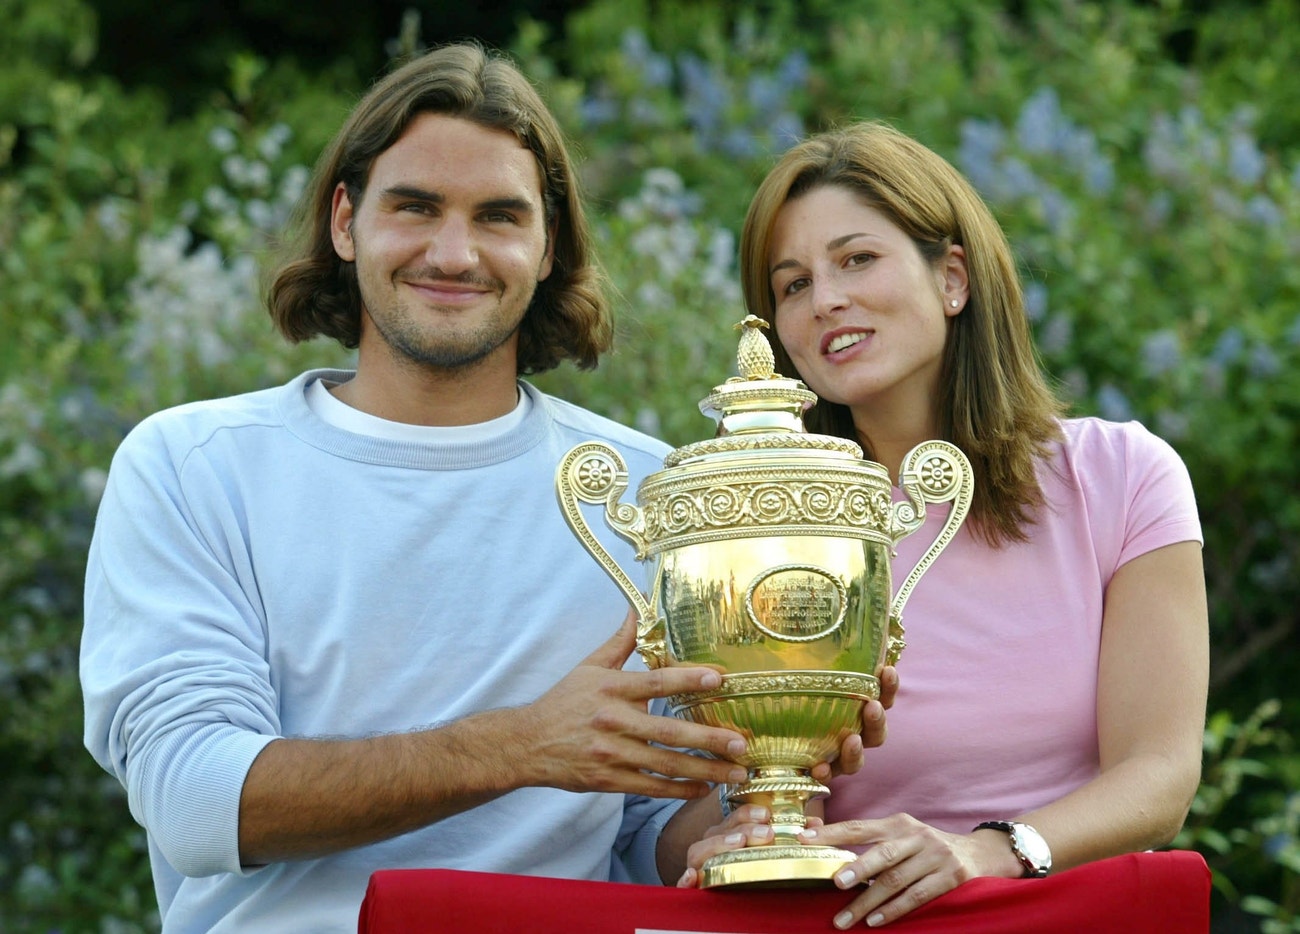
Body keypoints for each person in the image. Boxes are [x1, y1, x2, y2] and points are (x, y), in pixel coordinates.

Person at [80, 43, 884, 933]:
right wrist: (519, 747)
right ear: (345, 222)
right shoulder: (195, 467)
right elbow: (196, 801)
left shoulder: (655, 490)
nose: (454, 252)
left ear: (548, 247)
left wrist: (780, 765)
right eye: (415, 207)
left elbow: (650, 825)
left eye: (499, 216)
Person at [677, 121, 1209, 929]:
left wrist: (989, 851)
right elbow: (676, 816)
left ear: (952, 278)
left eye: (857, 259)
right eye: (792, 284)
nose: (826, 300)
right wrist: (731, 834)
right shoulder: (753, 521)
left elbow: (1161, 775)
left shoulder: (1123, 476)